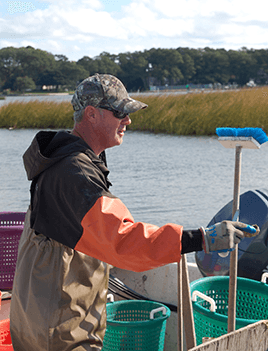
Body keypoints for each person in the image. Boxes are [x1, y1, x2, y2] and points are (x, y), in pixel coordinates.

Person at [10, 73, 248, 351]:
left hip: (39, 320)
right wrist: (201, 239)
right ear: (91, 114)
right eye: (120, 112)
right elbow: (123, 242)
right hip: (59, 332)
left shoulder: (63, 160)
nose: (128, 120)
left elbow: (98, 236)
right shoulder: (75, 173)